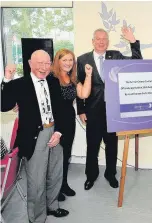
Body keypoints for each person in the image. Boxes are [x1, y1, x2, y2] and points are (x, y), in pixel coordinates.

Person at [1, 50, 69, 222]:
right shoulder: (19, 84)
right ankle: (37, 218)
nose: (43, 67)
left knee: (55, 173)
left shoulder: (53, 81)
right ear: (30, 64)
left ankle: (52, 206)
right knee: (36, 180)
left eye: (47, 63)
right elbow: (3, 105)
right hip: (35, 135)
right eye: (39, 63)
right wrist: (7, 78)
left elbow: (61, 109)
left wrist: (59, 132)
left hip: (55, 131)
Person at [77, 27, 143, 190]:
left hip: (113, 111)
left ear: (108, 42)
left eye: (104, 39)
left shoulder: (115, 56)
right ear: (93, 41)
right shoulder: (82, 59)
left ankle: (110, 174)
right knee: (92, 146)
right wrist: (81, 110)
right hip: (92, 111)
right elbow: (77, 85)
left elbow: (137, 63)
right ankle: (91, 176)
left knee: (111, 145)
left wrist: (133, 41)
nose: (101, 42)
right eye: (98, 39)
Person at [51, 48, 93, 201]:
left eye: (71, 60)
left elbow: (84, 94)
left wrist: (88, 75)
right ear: (58, 61)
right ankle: (54, 189)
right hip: (55, 122)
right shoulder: (51, 78)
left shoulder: (72, 78)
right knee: (55, 158)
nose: (68, 63)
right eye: (65, 60)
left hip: (69, 121)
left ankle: (63, 184)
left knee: (66, 155)